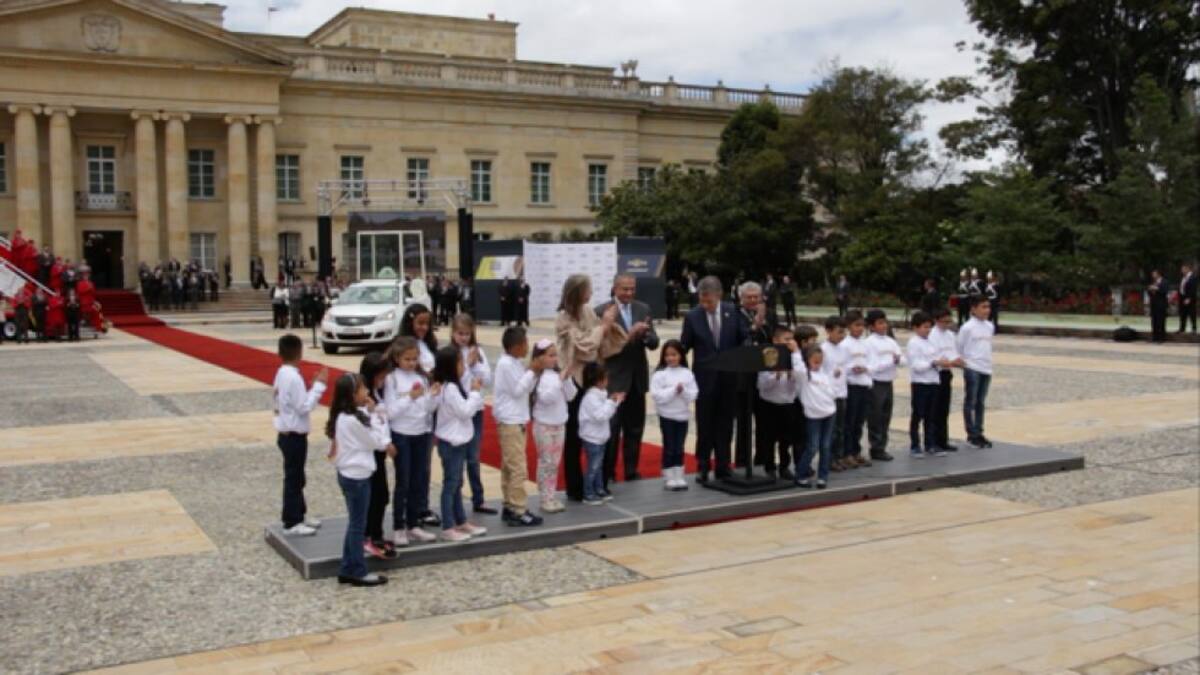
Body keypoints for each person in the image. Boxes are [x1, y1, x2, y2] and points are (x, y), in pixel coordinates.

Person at [555, 274, 625, 500]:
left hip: (593, 378)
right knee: (574, 435)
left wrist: (607, 326)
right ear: (577, 292)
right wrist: (603, 326)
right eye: (588, 289)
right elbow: (584, 346)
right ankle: (575, 488)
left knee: (601, 430)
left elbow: (600, 340)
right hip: (574, 381)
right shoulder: (563, 318)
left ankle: (599, 483)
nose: (592, 293)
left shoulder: (588, 311)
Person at [680, 275, 748, 483]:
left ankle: (723, 466)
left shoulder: (733, 312)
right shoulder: (693, 316)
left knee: (726, 424)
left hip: (729, 378)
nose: (705, 305)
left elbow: (743, 337)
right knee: (705, 424)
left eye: (708, 300)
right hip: (704, 379)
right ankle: (703, 466)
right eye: (702, 300)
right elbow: (684, 346)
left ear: (719, 295)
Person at [326, 372, 391, 587]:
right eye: (363, 388)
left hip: (352, 474)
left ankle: (348, 568)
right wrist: (377, 417)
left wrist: (370, 412)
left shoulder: (348, 415)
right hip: (356, 477)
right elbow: (376, 442)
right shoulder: (352, 420)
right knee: (358, 526)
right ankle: (357, 571)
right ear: (353, 394)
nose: (367, 391)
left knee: (355, 523)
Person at [594, 274, 659, 484]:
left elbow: (654, 342)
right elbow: (600, 348)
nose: (629, 293)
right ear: (615, 288)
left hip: (637, 379)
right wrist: (629, 334)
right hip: (614, 379)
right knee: (612, 429)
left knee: (635, 428)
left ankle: (631, 470)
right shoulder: (602, 311)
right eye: (624, 289)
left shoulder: (643, 309)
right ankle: (608, 473)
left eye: (632, 288)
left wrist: (647, 336)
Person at [382, 336, 439, 547]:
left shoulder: (421, 378)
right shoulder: (392, 379)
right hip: (402, 433)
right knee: (403, 481)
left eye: (415, 359)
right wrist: (410, 397)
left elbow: (427, 408)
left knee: (418, 480)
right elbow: (390, 412)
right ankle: (399, 526)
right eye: (407, 359)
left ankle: (414, 524)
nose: (411, 363)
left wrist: (433, 396)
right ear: (397, 358)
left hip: (421, 433)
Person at [272, 335, 329, 536]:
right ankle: (292, 521)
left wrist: (310, 388)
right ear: (299, 352)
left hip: (288, 432)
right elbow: (303, 406)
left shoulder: (282, 373)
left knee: (297, 476)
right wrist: (319, 386)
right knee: (294, 478)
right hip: (293, 434)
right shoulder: (293, 377)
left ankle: (299, 513)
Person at [431, 345, 488, 542]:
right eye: (460, 362)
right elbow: (465, 411)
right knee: (451, 484)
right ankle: (448, 526)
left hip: (456, 440)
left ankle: (460, 520)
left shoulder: (450, 387)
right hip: (451, 442)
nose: (463, 366)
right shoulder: (450, 389)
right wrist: (475, 393)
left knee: (456, 483)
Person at [493, 326, 544, 525]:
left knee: (509, 466)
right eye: (525, 343)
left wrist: (533, 373)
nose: (527, 347)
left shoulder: (514, 362)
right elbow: (517, 390)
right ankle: (518, 508)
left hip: (516, 418)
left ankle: (509, 504)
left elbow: (526, 388)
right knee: (517, 468)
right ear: (516, 346)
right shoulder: (506, 364)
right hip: (510, 420)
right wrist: (532, 371)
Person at [448, 314, 496, 515]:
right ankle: (455, 500)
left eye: (467, 334)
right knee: (457, 459)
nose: (464, 337)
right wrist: (468, 364)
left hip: (475, 409)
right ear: (453, 333)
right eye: (460, 333)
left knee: (474, 457)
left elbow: (488, 380)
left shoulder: (478, 351)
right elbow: (455, 379)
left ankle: (479, 499)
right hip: (458, 410)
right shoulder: (450, 353)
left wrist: (475, 364)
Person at [530, 338, 577, 512]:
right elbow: (546, 398)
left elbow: (571, 395)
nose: (554, 359)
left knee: (555, 463)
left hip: (559, 424)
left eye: (555, 355)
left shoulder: (557, 375)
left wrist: (567, 379)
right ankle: (545, 498)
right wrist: (560, 380)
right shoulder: (538, 376)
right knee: (546, 461)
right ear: (539, 357)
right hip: (544, 425)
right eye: (550, 355)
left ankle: (551, 495)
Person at [358, 353, 397, 560]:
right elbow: (368, 426)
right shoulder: (364, 396)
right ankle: (368, 535)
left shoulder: (377, 392)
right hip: (370, 451)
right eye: (381, 376)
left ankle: (376, 533)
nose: (384, 380)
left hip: (379, 451)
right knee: (374, 495)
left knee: (381, 495)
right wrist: (384, 443)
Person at [649, 339, 697, 491]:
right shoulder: (660, 375)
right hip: (667, 416)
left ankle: (679, 475)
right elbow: (657, 396)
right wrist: (674, 390)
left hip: (682, 416)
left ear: (681, 355)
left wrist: (683, 391)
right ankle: (669, 476)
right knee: (669, 446)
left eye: (674, 354)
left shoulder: (687, 373)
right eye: (667, 355)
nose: (670, 358)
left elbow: (693, 394)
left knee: (679, 447)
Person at [790, 343, 837, 489]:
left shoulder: (824, 374)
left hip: (829, 414)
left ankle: (823, 477)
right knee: (812, 446)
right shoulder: (804, 376)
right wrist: (796, 351)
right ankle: (800, 475)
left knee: (826, 446)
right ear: (807, 360)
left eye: (820, 362)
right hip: (813, 417)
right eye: (815, 362)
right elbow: (798, 368)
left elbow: (831, 390)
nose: (818, 364)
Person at [755, 325, 799, 478]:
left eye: (791, 339)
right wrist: (777, 375)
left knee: (786, 439)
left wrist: (792, 374)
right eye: (786, 339)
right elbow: (762, 385)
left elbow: (800, 380)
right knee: (769, 437)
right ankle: (770, 467)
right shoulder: (767, 356)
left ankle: (784, 466)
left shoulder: (794, 357)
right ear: (775, 340)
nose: (790, 342)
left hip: (788, 402)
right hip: (770, 403)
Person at [735, 281, 771, 469]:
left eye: (756, 297)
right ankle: (742, 462)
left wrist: (764, 322)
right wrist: (756, 322)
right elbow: (742, 339)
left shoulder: (769, 314)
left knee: (765, 421)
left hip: (765, 376)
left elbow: (774, 338)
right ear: (741, 298)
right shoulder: (734, 315)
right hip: (743, 376)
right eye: (748, 297)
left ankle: (763, 460)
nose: (752, 300)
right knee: (743, 422)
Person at [578, 362, 623, 505]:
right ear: (598, 380)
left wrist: (613, 401)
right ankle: (588, 493)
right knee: (593, 467)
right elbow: (601, 415)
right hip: (592, 438)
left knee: (598, 466)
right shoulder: (591, 398)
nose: (608, 380)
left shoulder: (600, 395)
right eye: (606, 378)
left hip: (599, 437)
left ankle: (599, 489)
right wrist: (613, 403)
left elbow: (604, 410)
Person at [864, 309, 905, 462]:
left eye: (884, 322)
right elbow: (872, 367)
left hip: (889, 381)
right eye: (880, 323)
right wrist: (891, 361)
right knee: (875, 416)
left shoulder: (890, 341)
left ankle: (882, 445)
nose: (884, 326)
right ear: (871, 326)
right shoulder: (868, 343)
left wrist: (896, 360)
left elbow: (903, 360)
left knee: (886, 415)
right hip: (876, 382)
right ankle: (876, 447)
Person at [906, 311, 947, 458]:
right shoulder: (913, 343)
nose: (928, 330)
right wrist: (932, 363)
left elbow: (938, 359)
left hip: (933, 382)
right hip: (920, 383)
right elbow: (916, 365)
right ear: (915, 328)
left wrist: (941, 363)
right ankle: (915, 445)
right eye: (924, 327)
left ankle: (930, 444)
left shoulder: (931, 342)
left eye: (929, 327)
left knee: (932, 415)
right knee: (918, 414)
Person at [958, 296, 995, 448]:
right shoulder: (967, 327)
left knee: (980, 402)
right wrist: (965, 363)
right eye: (983, 307)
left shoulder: (989, 326)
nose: (987, 310)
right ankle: (971, 434)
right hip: (972, 367)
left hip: (986, 367)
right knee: (971, 401)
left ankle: (979, 432)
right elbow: (960, 346)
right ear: (973, 309)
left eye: (988, 307)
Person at [930, 308, 964, 452]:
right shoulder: (932, 335)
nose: (947, 324)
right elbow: (934, 356)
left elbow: (953, 352)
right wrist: (949, 362)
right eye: (944, 322)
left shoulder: (950, 335)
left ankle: (943, 440)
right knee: (934, 409)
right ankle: (932, 441)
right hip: (935, 373)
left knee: (944, 408)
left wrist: (958, 361)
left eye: (949, 322)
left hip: (947, 372)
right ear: (936, 321)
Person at [840, 310, 871, 467]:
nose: (860, 328)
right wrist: (852, 369)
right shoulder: (844, 344)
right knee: (849, 422)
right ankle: (847, 453)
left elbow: (871, 362)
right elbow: (842, 365)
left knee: (859, 421)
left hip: (864, 385)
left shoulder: (865, 343)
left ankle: (856, 451)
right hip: (851, 386)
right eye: (856, 325)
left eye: (862, 325)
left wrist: (866, 368)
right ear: (848, 326)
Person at [820, 316, 851, 472]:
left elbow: (846, 368)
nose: (842, 335)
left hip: (842, 393)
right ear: (828, 331)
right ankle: (828, 460)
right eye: (839, 332)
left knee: (840, 429)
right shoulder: (822, 350)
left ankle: (838, 457)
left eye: (844, 332)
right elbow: (820, 372)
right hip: (829, 396)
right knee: (830, 431)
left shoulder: (844, 349)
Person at [399, 303, 437, 372]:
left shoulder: (428, 343)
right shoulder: (400, 346)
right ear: (410, 323)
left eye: (427, 324)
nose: (425, 327)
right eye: (420, 323)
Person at [1148, 270, 1168, 343]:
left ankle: (1161, 338)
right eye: (1152, 274)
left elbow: (1165, 291)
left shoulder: (1164, 282)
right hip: (1154, 304)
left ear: (1158, 274)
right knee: (1154, 321)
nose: (1153, 276)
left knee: (1161, 321)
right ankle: (1155, 337)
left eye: (1154, 274)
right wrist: (1151, 290)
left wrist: (1157, 289)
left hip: (1161, 304)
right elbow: (1150, 292)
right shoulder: (1153, 282)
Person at [1180, 264, 1197, 333]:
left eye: (1183, 269)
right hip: (1182, 297)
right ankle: (1182, 328)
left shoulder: (1193, 277)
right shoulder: (1183, 277)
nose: (1182, 271)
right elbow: (1181, 287)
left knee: (1192, 313)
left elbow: (1193, 289)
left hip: (1190, 298)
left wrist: (1189, 298)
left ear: (1187, 269)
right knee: (1183, 314)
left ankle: (1194, 328)